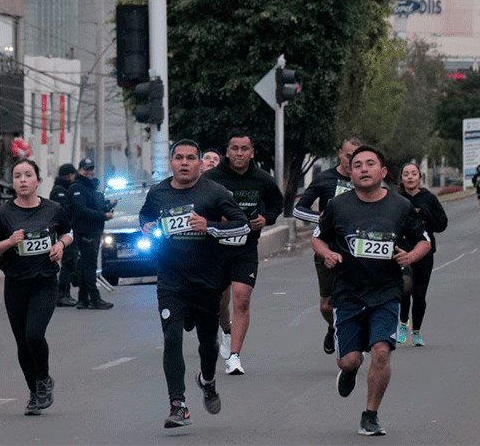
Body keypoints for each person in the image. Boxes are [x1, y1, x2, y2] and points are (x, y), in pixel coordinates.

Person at [311, 146, 431, 436]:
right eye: (358, 165)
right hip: (347, 293)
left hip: (386, 292)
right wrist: (327, 254)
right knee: (349, 359)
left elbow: (424, 241)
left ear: (383, 172)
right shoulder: (338, 206)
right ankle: (350, 369)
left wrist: (410, 257)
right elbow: (318, 239)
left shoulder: (400, 206)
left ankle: (370, 415)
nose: (364, 169)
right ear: (350, 174)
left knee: (381, 352)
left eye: (370, 164)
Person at [139, 139, 249, 428]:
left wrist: (210, 226)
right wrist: (146, 227)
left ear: (200, 163)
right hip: (171, 280)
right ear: (171, 163)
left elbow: (242, 224)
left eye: (190, 158)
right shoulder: (158, 192)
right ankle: (178, 405)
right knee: (172, 338)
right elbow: (145, 216)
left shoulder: (215, 192)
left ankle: (208, 381)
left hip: (206, 281)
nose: (184, 163)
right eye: (179, 158)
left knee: (208, 344)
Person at [0, 158, 73, 416]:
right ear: (13, 183)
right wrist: (10, 242)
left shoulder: (53, 209)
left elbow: (69, 233)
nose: (22, 180)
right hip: (15, 284)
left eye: (27, 175)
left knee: (34, 334)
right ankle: (34, 393)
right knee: (22, 343)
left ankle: (43, 379)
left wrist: (60, 245)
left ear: (37, 181)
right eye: (17, 176)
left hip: (44, 283)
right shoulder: (3, 214)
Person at [204, 135, 283, 375]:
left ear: (252, 152)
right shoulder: (211, 178)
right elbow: (198, 206)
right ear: (227, 152)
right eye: (235, 148)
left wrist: (266, 219)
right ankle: (226, 331)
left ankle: (234, 357)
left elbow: (277, 204)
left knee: (242, 299)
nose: (239, 153)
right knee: (219, 302)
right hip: (216, 249)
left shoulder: (262, 179)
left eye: (244, 149)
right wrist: (216, 219)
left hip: (245, 248)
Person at [293, 137, 361, 355]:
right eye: (349, 156)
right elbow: (298, 210)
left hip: (357, 250)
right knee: (326, 305)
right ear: (340, 154)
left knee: (357, 300)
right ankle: (334, 328)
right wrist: (321, 218)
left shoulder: (366, 180)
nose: (353, 161)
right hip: (327, 247)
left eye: (357, 157)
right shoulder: (325, 179)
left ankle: (351, 338)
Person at [397, 163, 448, 347]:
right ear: (402, 178)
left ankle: (417, 332)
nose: (410, 177)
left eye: (413, 173)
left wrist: (427, 213)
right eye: (406, 174)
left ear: (420, 177)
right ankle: (403, 323)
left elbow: (441, 225)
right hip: (402, 251)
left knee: (419, 295)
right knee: (405, 287)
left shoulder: (429, 198)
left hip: (425, 252)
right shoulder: (397, 199)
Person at [69, 158, 114, 310]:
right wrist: (103, 216)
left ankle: (83, 299)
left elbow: (95, 207)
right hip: (85, 231)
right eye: (86, 169)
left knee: (84, 266)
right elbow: (81, 210)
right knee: (89, 266)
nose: (89, 172)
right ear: (79, 170)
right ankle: (94, 298)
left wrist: (108, 205)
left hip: (93, 231)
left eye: (91, 169)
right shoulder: (77, 188)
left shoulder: (91, 188)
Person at [50, 163, 79, 307]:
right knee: (68, 262)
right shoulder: (59, 191)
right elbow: (63, 212)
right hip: (63, 232)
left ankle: (64, 293)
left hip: (66, 231)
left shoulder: (64, 189)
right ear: (69, 175)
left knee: (70, 261)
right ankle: (62, 294)